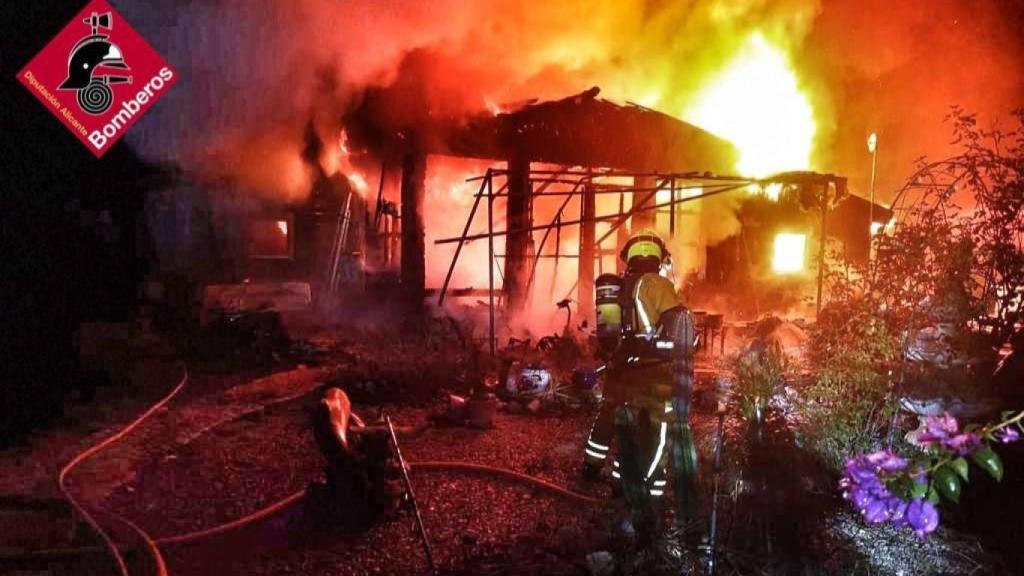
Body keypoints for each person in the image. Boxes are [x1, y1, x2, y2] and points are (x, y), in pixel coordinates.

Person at [583, 229, 696, 509]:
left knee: (612, 418)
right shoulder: (657, 285)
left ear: (629, 258)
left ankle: (592, 467)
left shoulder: (619, 286)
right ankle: (648, 496)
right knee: (655, 433)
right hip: (652, 374)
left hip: (620, 368)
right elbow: (679, 330)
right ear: (658, 257)